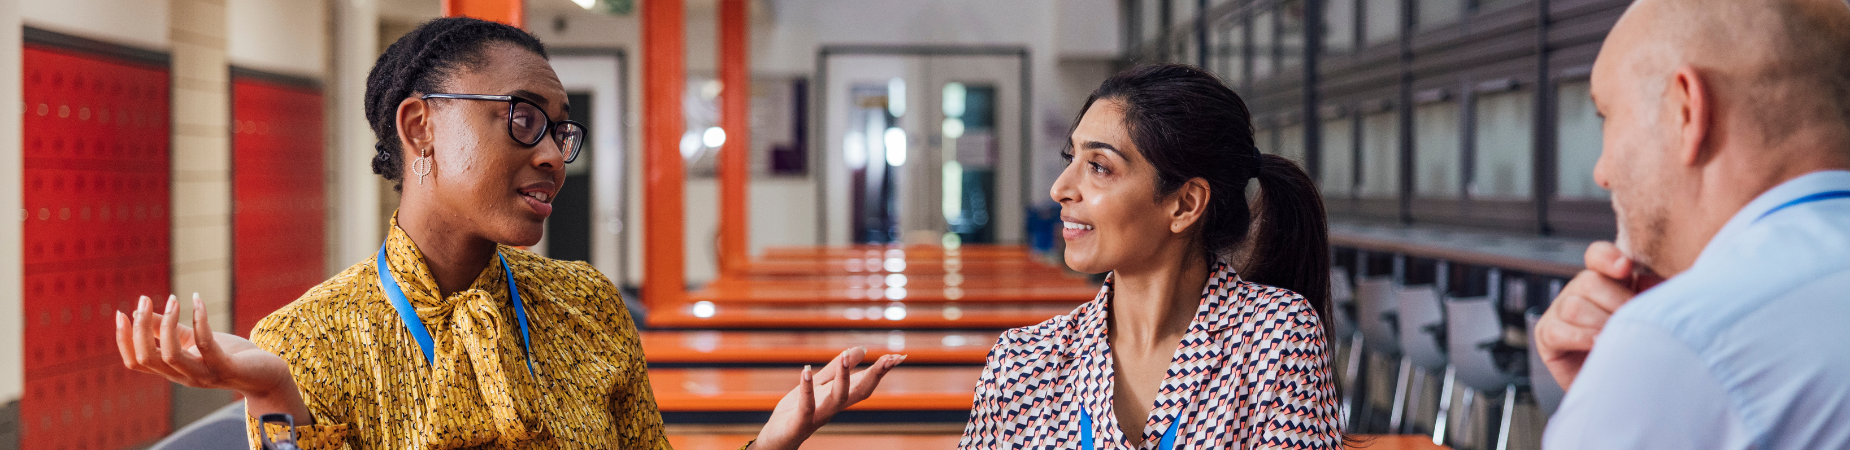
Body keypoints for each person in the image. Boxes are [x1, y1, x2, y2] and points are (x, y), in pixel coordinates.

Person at [111, 17, 901, 450]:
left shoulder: (587, 304)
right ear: (419, 126)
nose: (554, 154)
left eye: (563, 131)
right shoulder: (311, 338)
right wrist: (272, 391)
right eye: (524, 119)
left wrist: (777, 438)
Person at [960, 64, 1342, 449]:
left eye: (1098, 166)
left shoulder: (1276, 340)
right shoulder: (1020, 365)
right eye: (1070, 158)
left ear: (1184, 204)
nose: (1060, 188)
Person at [1532, 0, 1850, 448]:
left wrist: (1628, 380)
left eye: (1607, 116)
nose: (1601, 172)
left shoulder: (1680, 339)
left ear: (1687, 110)